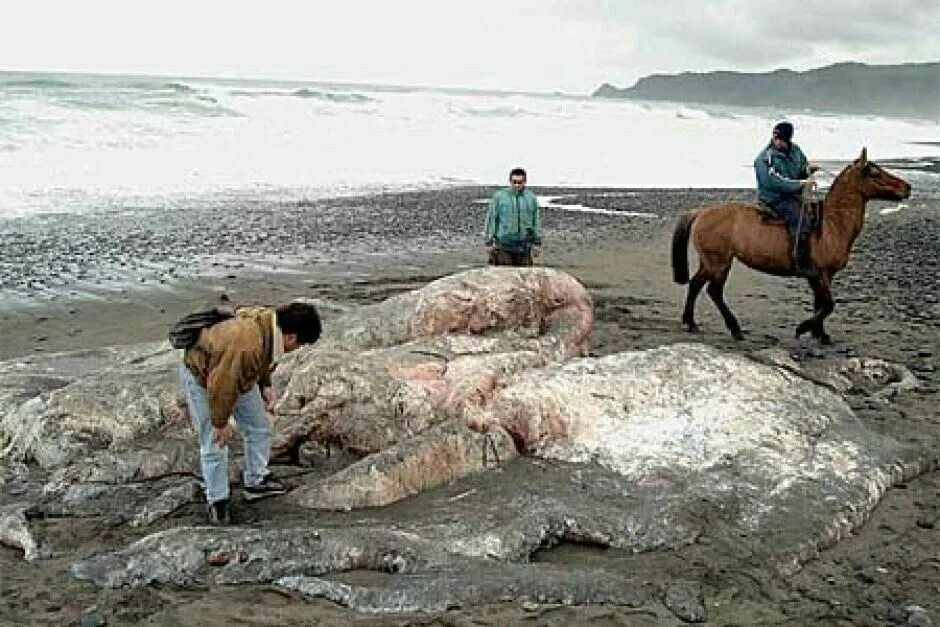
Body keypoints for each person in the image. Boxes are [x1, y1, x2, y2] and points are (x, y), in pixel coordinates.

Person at [180, 301, 321, 524]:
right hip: (203, 376)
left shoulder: (268, 324)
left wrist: (265, 385)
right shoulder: (245, 343)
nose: (296, 349)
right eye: (299, 345)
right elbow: (220, 384)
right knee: (214, 441)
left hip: (237, 375)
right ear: (291, 338)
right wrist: (220, 422)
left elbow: (263, 357)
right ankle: (217, 500)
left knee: (259, 426)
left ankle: (256, 480)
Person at [754, 121, 820, 277]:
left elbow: (801, 167)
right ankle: (800, 262)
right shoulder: (764, 159)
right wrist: (801, 183)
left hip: (793, 194)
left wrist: (807, 170)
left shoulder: (795, 150)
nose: (777, 142)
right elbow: (775, 182)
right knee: (800, 220)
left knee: (818, 211)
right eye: (776, 138)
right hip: (775, 198)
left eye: (781, 140)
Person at [484, 167, 543, 266]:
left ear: (525, 182)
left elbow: (536, 221)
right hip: (504, 245)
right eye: (514, 182)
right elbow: (492, 219)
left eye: (520, 182)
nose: (517, 185)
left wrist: (537, 243)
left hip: (524, 245)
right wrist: (488, 243)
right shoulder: (499, 197)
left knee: (525, 276)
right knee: (504, 276)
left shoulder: (531, 198)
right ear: (510, 181)